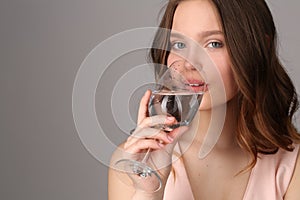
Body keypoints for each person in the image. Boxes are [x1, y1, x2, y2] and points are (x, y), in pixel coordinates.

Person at [108, 0, 300, 199]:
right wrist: (146, 192)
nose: (189, 62)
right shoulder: (135, 161)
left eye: (214, 44)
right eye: (179, 44)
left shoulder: (292, 165)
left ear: (259, 47)